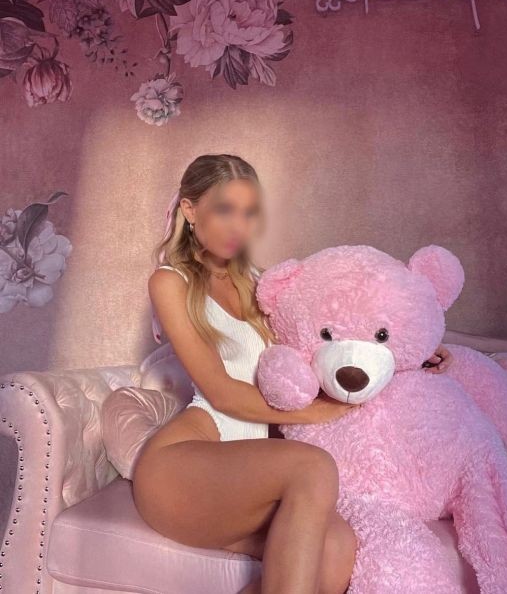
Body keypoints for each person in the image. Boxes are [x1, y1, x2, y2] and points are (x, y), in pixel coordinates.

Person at [132, 153, 454, 594]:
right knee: (313, 466)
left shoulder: (259, 283)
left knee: (339, 546)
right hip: (182, 469)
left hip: (248, 478)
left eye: (248, 213)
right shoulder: (171, 282)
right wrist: (317, 413)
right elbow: (222, 393)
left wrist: (407, 352)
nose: (238, 226)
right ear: (190, 209)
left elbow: (326, 343)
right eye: (224, 210)